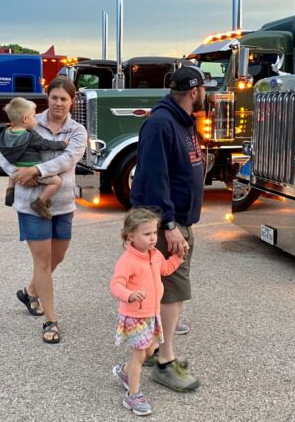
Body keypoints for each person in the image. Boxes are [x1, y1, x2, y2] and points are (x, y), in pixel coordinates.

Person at [129, 63, 215, 392]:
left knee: (163, 290)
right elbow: (152, 180)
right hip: (167, 223)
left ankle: (152, 350)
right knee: (173, 292)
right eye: (204, 88)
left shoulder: (181, 122)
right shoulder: (161, 124)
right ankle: (165, 362)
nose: (206, 93)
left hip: (177, 220)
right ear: (195, 92)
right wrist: (169, 224)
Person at [0, 77, 87, 344]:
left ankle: (29, 291)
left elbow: (68, 158)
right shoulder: (29, 119)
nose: (58, 102)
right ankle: (51, 320)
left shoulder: (77, 131)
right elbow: (3, 151)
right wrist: (17, 173)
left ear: (72, 101)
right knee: (43, 262)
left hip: (63, 204)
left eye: (64, 98)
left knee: (58, 256)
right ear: (47, 98)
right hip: (31, 204)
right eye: (54, 97)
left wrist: (36, 170)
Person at [110, 208, 188, 416]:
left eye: (154, 233)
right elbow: (116, 285)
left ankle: (124, 372)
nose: (153, 238)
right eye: (147, 234)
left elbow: (165, 270)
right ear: (130, 236)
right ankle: (133, 396)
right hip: (135, 316)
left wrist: (178, 257)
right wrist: (129, 295)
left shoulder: (155, 255)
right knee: (138, 356)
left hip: (151, 315)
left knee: (149, 351)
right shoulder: (127, 260)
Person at [0, 97, 67, 217]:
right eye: (33, 116)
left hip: (17, 168)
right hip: (32, 169)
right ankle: (40, 201)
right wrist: (63, 144)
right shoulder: (30, 135)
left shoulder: (7, 132)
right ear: (25, 119)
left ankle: (10, 189)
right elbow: (45, 144)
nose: (35, 119)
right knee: (56, 181)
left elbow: (2, 149)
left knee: (14, 173)